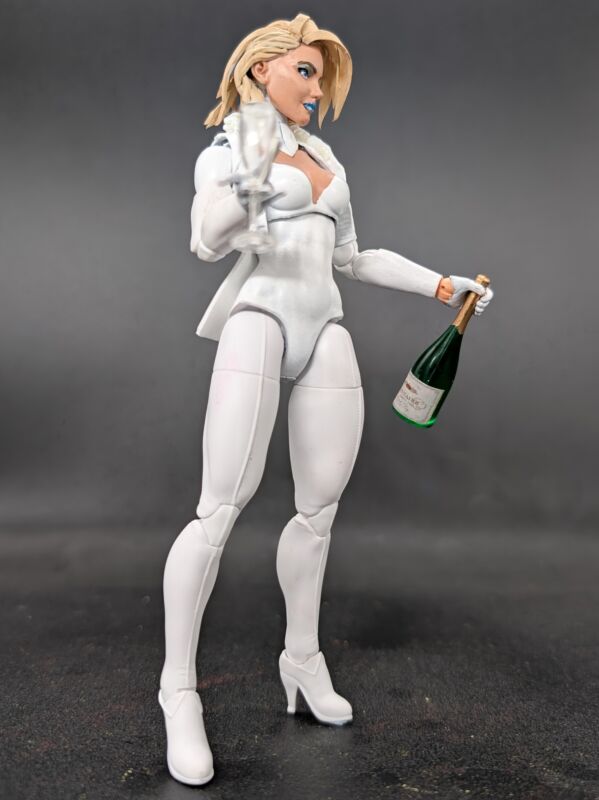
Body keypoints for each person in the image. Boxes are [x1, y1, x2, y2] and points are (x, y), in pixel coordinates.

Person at [158, 13, 493, 786]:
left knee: (318, 510)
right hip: (260, 321)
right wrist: (249, 170)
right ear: (261, 71)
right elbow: (206, 239)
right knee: (219, 508)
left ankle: (301, 659)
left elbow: (352, 256)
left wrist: (438, 284)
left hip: (323, 329)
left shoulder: (323, 156)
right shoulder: (229, 148)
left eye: (321, 75)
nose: (316, 88)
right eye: (304, 71)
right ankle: (178, 690)